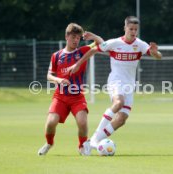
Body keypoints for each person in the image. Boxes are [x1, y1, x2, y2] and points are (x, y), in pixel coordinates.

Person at [69, 16, 162, 155]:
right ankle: (95, 137)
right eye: (131, 29)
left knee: (122, 119)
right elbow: (94, 50)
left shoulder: (140, 44)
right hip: (115, 81)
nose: (133, 32)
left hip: (129, 86)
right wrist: (77, 64)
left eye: (136, 29)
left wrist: (155, 53)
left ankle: (93, 140)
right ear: (125, 28)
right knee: (118, 102)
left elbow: (158, 55)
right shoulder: (115, 43)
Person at [38, 23, 103, 156]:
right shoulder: (56, 55)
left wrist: (93, 36)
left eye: (78, 37)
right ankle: (49, 143)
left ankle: (82, 147)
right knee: (51, 123)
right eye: (73, 37)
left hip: (77, 97)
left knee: (82, 122)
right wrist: (58, 80)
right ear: (66, 36)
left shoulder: (83, 51)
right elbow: (49, 75)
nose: (75, 40)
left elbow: (103, 44)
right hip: (60, 96)